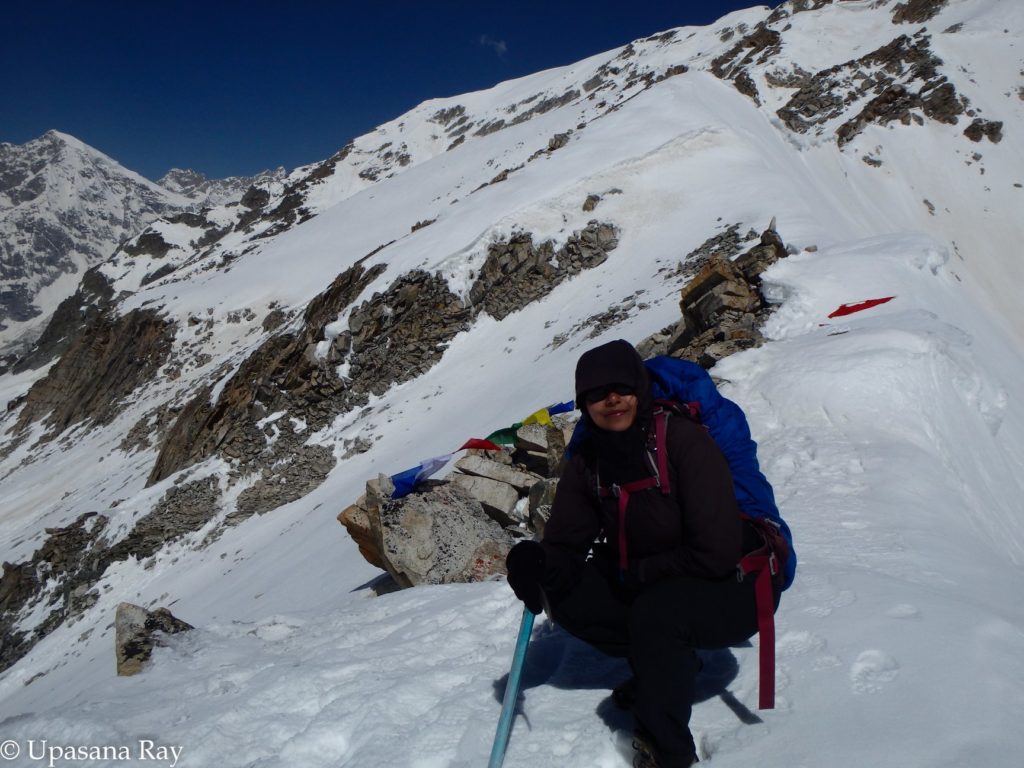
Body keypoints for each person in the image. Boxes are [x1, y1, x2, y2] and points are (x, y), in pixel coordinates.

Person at [505, 339, 781, 768]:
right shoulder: (589, 462)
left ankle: (665, 747)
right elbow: (566, 544)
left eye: (621, 388)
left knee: (658, 612)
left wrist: (635, 573)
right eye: (596, 393)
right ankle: (667, 670)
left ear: (641, 389)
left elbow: (718, 552)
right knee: (566, 591)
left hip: (741, 585)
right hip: (660, 583)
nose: (611, 399)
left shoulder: (683, 442)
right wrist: (534, 562)